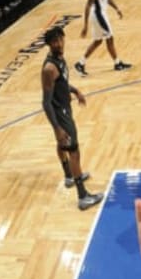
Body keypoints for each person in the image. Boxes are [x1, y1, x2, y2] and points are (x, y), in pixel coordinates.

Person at [41, 27, 104, 211]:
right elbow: (46, 103)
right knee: (74, 151)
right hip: (61, 114)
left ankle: (69, 176)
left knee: (63, 145)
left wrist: (75, 91)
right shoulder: (49, 68)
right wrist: (57, 128)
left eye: (60, 39)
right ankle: (83, 196)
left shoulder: (60, 59)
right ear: (49, 44)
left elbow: (62, 83)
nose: (59, 44)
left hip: (65, 109)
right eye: (54, 42)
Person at [74, 0, 132, 77]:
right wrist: (85, 25)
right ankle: (117, 64)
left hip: (102, 15)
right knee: (110, 38)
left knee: (98, 41)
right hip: (98, 16)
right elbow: (88, 5)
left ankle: (80, 63)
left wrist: (117, 8)